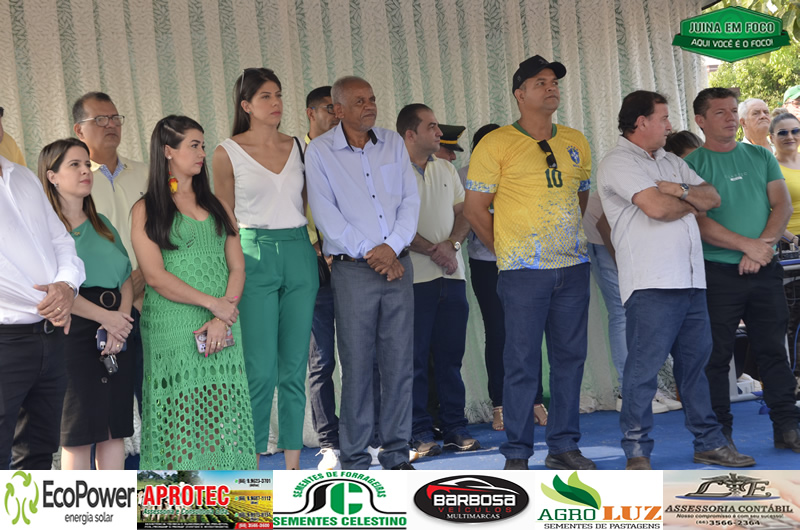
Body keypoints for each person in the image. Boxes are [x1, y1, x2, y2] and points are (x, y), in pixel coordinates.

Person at [598, 90, 755, 470]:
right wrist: (687, 200)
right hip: (651, 283)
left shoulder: (670, 161)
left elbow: (713, 198)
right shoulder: (618, 161)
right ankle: (637, 451)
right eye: (664, 118)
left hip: (691, 281)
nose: (670, 126)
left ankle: (709, 443)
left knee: (696, 368)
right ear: (641, 123)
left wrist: (679, 191)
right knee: (644, 371)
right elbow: (657, 208)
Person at [464, 55, 594, 471]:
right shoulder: (496, 143)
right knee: (521, 363)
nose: (551, 87)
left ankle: (563, 446)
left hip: (573, 268)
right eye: (540, 82)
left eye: (554, 81)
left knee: (569, 361)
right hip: (522, 272)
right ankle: (517, 452)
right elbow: (475, 209)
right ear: (520, 94)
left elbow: (579, 197)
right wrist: (507, 252)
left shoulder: (575, 140)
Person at [306, 75, 420, 470]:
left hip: (398, 266)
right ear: (338, 110)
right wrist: (374, 253)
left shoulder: (392, 143)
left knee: (399, 365)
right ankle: (355, 457)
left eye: (371, 99)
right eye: (359, 101)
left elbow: (410, 201)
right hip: (354, 271)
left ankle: (396, 452)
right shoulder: (320, 152)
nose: (369, 106)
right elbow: (326, 215)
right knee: (356, 366)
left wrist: (392, 248)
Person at [131, 115, 256, 470]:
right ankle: (181, 498)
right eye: (194, 145)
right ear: (168, 151)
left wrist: (223, 315)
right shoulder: (146, 209)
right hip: (173, 324)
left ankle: (218, 496)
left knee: (218, 412)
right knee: (180, 419)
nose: (202, 153)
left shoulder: (218, 205)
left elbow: (237, 268)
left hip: (222, 321)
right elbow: (155, 276)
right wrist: (214, 305)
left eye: (203, 145)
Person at [213, 68, 318, 470]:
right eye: (265, 97)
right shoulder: (226, 152)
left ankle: (293, 468)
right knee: (259, 371)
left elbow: (306, 204)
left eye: (278, 94)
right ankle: (250, 468)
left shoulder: (298, 146)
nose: (276, 103)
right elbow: (224, 219)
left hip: (299, 251)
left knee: (293, 369)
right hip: (252, 254)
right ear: (246, 105)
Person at [685, 87, 800, 453]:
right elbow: (698, 221)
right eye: (720, 112)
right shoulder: (690, 165)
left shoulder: (760, 155)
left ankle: (787, 428)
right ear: (701, 120)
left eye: (734, 110)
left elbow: (781, 205)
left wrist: (761, 247)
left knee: (774, 351)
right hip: (717, 273)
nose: (731, 117)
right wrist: (747, 246)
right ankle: (720, 434)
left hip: (764, 269)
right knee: (716, 357)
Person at [38, 138, 134, 470]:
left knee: (113, 430)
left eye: (87, 164)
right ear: (52, 176)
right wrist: (107, 319)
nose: (85, 171)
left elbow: (126, 277)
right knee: (78, 433)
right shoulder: (45, 231)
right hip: (73, 331)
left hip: (119, 327)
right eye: (74, 165)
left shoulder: (102, 223)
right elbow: (53, 292)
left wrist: (120, 321)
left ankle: (114, 504)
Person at [397, 103, 478, 457]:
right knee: (413, 360)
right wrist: (434, 250)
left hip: (452, 276)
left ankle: (455, 428)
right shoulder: (391, 172)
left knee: (450, 358)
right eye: (431, 126)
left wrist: (452, 245)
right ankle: (418, 432)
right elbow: (391, 225)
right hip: (413, 280)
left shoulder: (446, 168)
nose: (439, 132)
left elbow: (466, 213)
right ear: (409, 134)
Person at [457, 124, 548, 430]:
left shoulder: (521, 170)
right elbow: (467, 216)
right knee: (498, 332)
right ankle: (500, 404)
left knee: (528, 332)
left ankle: (535, 400)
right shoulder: (465, 175)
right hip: (486, 264)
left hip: (524, 263)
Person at [0, 153, 85, 470]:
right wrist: (52, 301)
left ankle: (27, 507)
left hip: (50, 338)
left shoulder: (23, 176)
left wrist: (66, 286)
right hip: (6, 339)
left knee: (39, 453)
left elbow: (60, 240)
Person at [73, 92, 148, 418]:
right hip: (97, 307)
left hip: (150, 296)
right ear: (79, 130)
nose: (111, 125)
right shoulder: (76, 179)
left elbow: (164, 231)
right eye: (100, 119)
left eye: (115, 118)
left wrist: (145, 275)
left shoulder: (145, 173)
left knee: (153, 394)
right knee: (98, 410)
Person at [303, 85, 342, 471]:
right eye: (330, 108)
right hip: (313, 268)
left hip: (350, 264)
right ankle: (330, 442)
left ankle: (369, 435)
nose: (336, 115)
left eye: (338, 108)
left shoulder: (348, 151)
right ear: (311, 113)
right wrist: (318, 250)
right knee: (321, 360)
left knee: (363, 356)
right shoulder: (295, 155)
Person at [770, 113, 800, 376]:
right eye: (783, 132)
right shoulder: (771, 168)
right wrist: (793, 239)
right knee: (793, 319)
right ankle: (795, 378)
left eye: (795, 131)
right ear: (772, 137)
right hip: (788, 249)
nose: (790, 136)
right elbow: (767, 210)